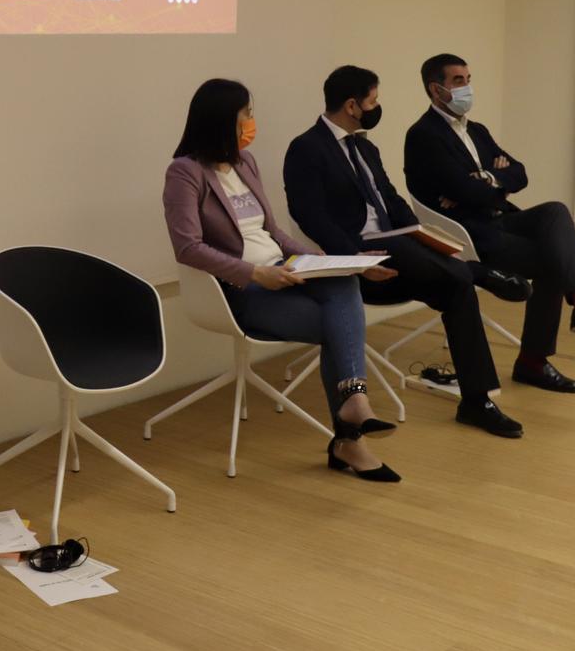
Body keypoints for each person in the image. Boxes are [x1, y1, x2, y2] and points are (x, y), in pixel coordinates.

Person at [162, 79, 401, 482]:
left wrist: (333, 262)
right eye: (247, 115)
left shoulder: (245, 163)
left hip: (283, 271)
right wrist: (255, 272)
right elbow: (187, 247)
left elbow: (273, 231)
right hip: (242, 289)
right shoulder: (185, 173)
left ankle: (352, 408)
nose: (252, 123)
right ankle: (350, 437)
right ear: (223, 120)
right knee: (338, 327)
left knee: (345, 285)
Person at [284, 66, 527, 438]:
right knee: (449, 271)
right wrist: (355, 258)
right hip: (357, 266)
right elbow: (310, 216)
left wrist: (422, 232)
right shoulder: (306, 148)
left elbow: (393, 201)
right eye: (373, 100)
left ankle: (477, 402)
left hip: (403, 257)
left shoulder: (366, 147)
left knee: (455, 287)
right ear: (352, 105)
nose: (376, 107)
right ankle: (480, 272)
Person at [405, 55, 575, 385]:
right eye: (459, 81)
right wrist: (492, 179)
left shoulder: (477, 130)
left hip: (497, 218)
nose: (468, 87)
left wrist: (484, 179)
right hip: (468, 234)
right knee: (552, 260)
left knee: (554, 211)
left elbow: (520, 173)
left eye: (469, 78)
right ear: (436, 89)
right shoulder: (423, 135)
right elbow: (465, 191)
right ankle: (534, 360)